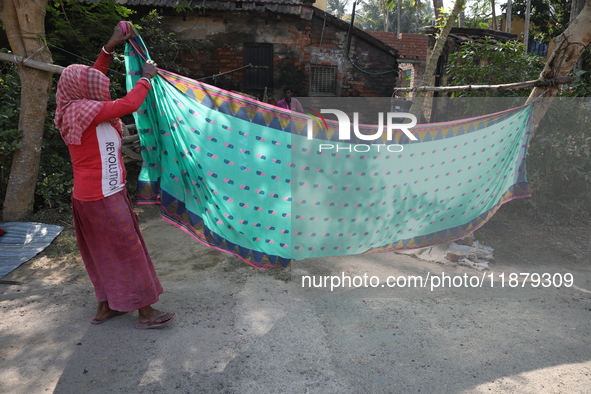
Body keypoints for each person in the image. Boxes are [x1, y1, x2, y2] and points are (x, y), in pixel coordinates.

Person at [54, 23, 176, 329]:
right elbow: (129, 104)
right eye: (89, 82)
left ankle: (107, 306)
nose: (97, 84)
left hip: (94, 195)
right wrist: (146, 78)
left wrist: (109, 48)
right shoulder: (85, 111)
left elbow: (93, 77)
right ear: (80, 89)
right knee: (127, 249)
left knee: (102, 252)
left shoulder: (75, 107)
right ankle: (146, 313)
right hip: (102, 196)